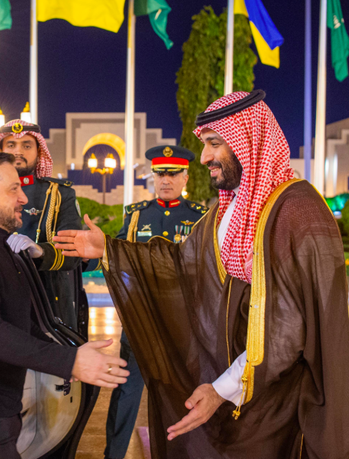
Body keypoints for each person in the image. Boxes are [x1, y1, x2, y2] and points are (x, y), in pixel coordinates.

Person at [54, 90, 349, 458]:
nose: (204, 157)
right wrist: (110, 250)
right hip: (226, 386)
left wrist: (222, 388)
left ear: (248, 141)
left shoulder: (298, 211)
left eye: (215, 143)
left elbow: (287, 326)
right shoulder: (224, 210)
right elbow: (183, 265)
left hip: (275, 399)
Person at [0, 149, 128, 458]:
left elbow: (18, 321)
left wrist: (69, 354)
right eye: (13, 189)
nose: (24, 198)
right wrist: (69, 362)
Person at [105, 145, 207, 459]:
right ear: (153, 176)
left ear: (185, 176)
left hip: (182, 325)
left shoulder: (200, 217)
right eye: (160, 172)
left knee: (182, 398)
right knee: (126, 394)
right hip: (140, 321)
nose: (166, 179)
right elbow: (115, 255)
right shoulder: (136, 216)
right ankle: (113, 455)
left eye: (173, 173)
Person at [0, 119, 93, 332]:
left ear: (39, 151)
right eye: (11, 145)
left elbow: (73, 254)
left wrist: (39, 251)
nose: (18, 152)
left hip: (48, 308)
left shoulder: (59, 194)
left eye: (27, 146)